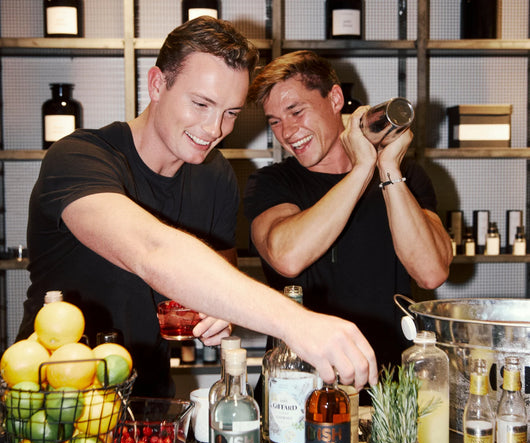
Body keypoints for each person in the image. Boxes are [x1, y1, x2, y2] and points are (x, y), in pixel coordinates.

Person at [15, 20, 377, 397]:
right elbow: (151, 251)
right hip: (53, 399)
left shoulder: (215, 175)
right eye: (201, 104)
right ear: (157, 84)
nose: (214, 128)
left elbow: (218, 280)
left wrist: (219, 314)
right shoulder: (78, 157)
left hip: (150, 399)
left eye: (231, 113)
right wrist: (296, 322)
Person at [244, 50, 453, 377]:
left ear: (335, 99)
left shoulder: (404, 175)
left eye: (296, 111)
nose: (287, 132)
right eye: (275, 122)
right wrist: (362, 169)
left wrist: (386, 166)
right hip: (302, 382)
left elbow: (431, 272)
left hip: (389, 384)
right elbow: (287, 256)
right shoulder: (271, 182)